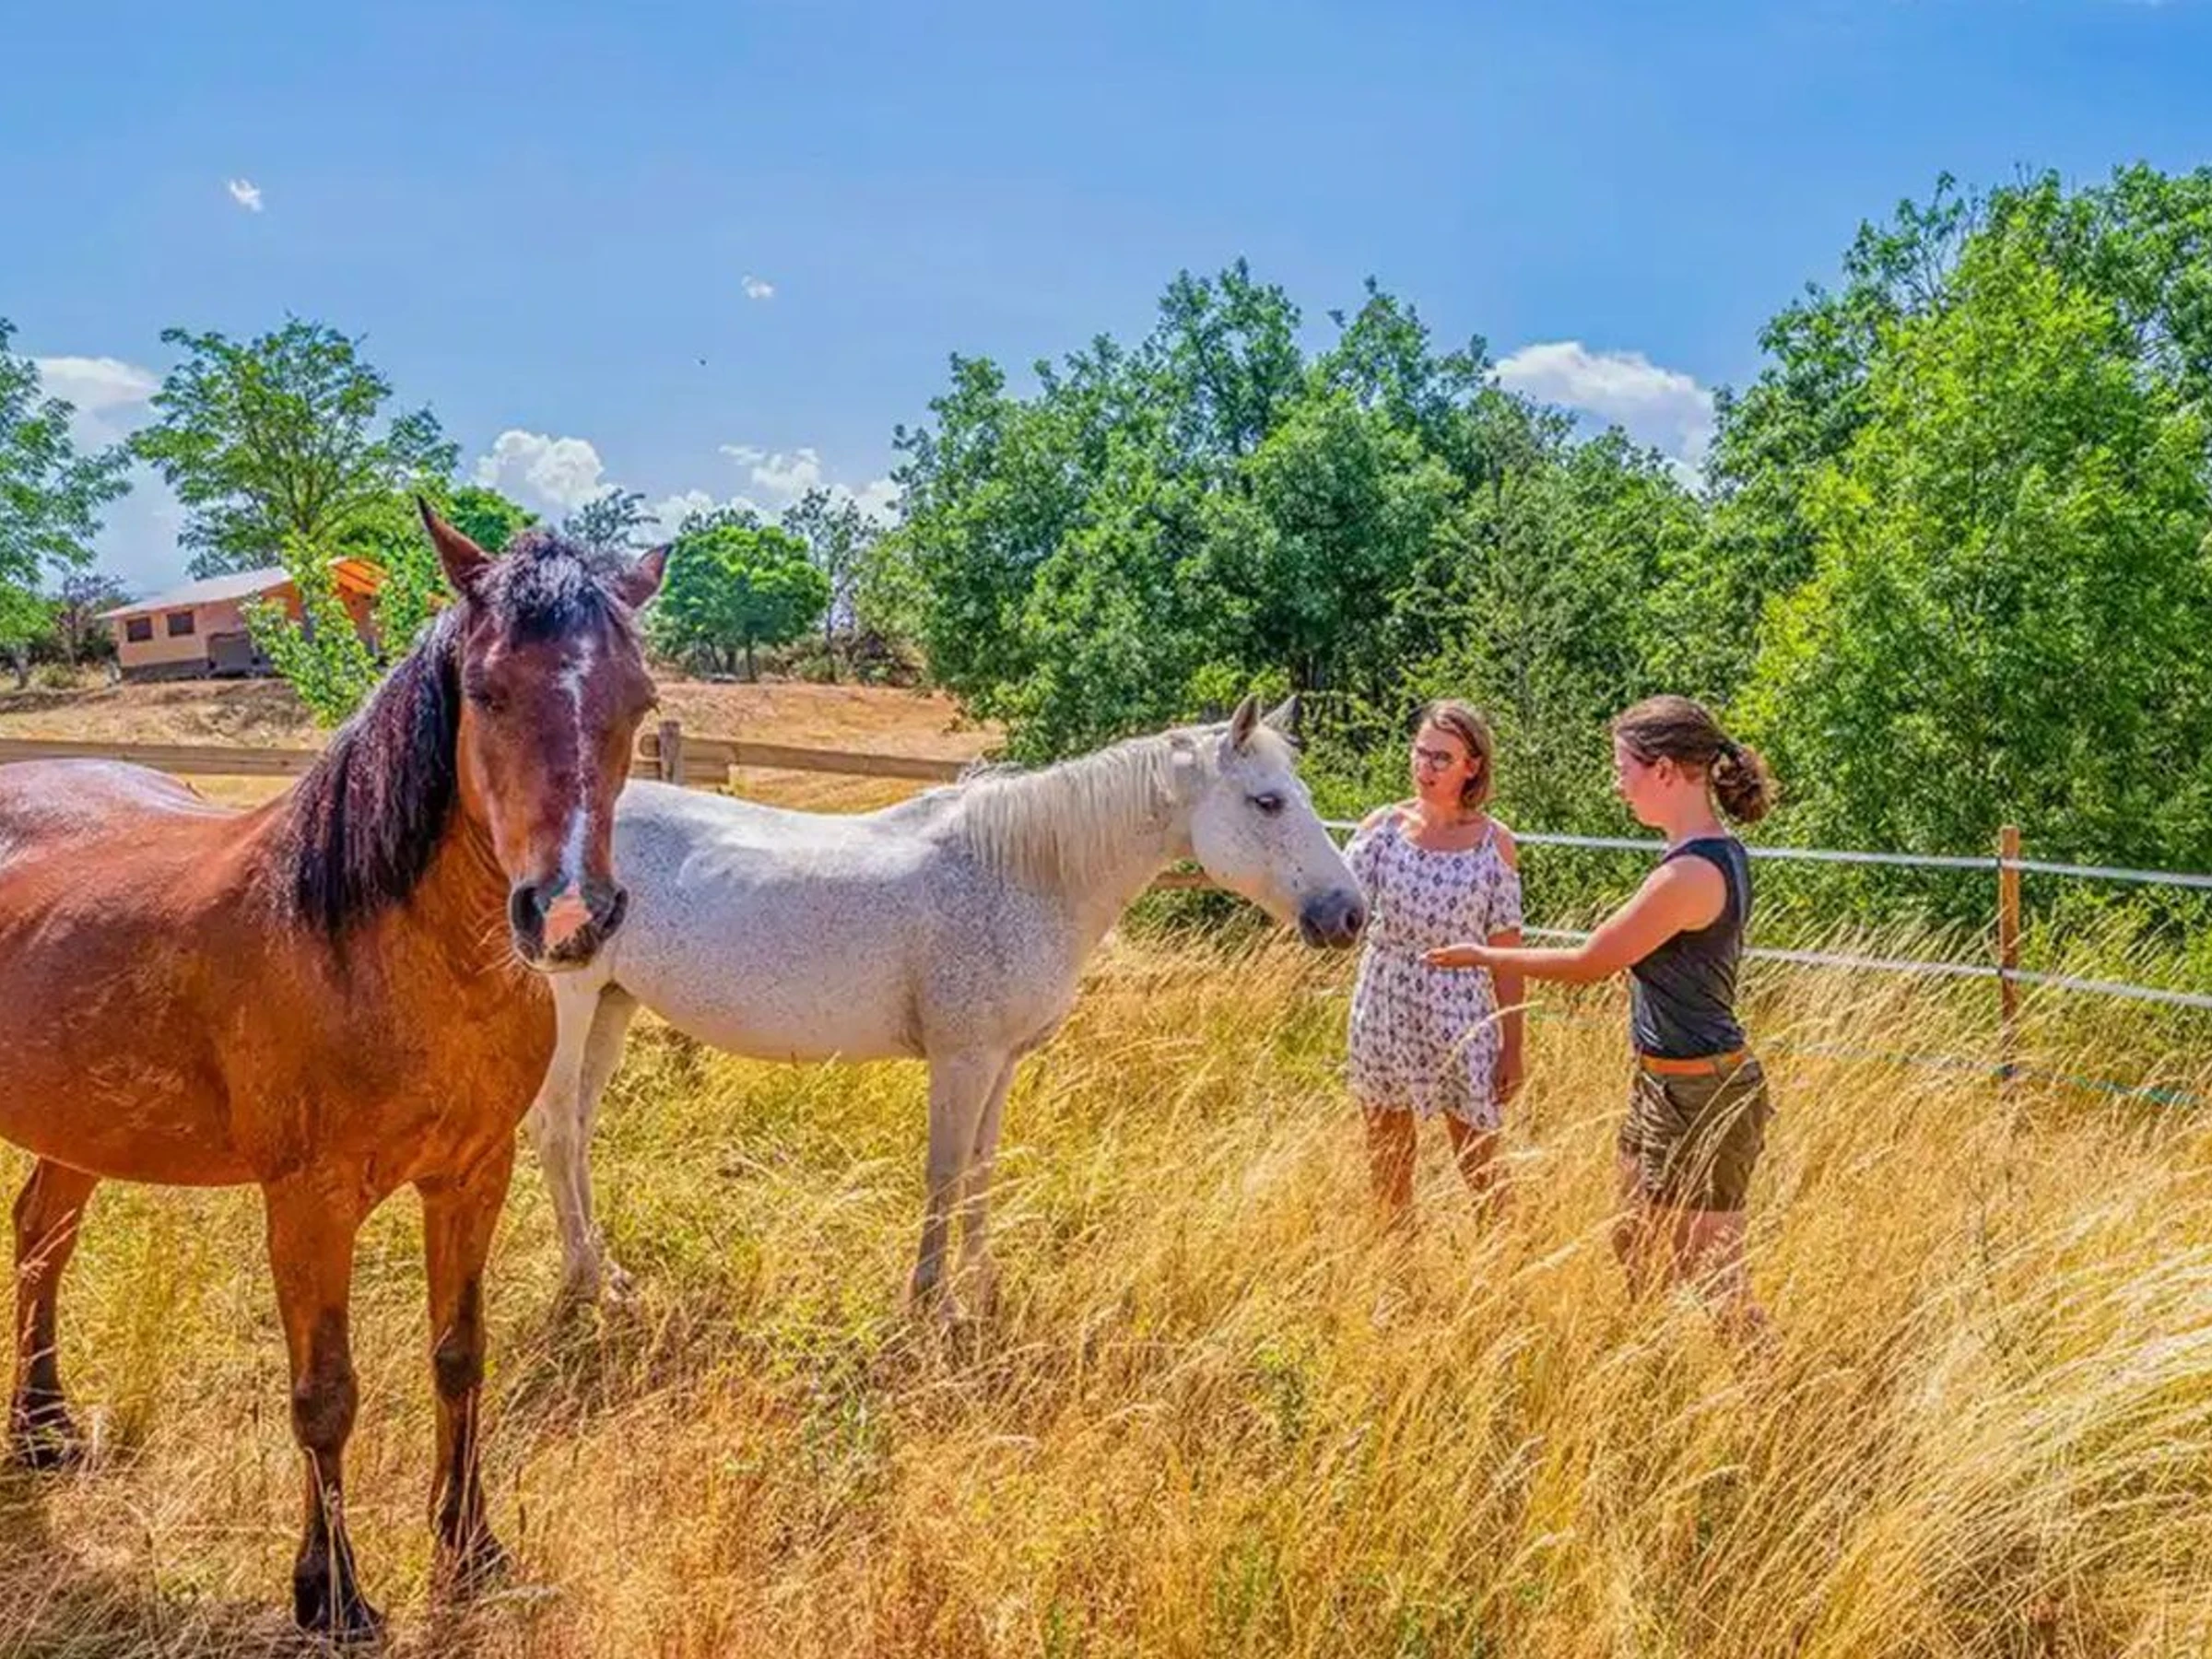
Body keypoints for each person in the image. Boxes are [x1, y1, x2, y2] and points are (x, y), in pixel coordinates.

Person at [1426, 695, 1777, 1345]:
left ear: (1664, 770)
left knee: (1715, 1279)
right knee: (1634, 1242)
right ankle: (1648, 1374)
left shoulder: (1691, 873)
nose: (1617, 786)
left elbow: (1591, 961)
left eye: (1623, 769)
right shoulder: (1703, 854)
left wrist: (1483, 955)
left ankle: (1776, 1393)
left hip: (1703, 1092)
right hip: (1665, 1083)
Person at [1345, 700, 1524, 1230]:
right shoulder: (1382, 828)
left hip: (1459, 1010)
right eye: (1421, 753)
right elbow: (1342, 906)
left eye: (1442, 758)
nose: (1426, 767)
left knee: (1478, 1158)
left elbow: (1507, 952)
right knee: (1388, 1153)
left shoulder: (1494, 844)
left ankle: (1503, 1262)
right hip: (1385, 999)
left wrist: (1513, 1044)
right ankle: (1396, 1266)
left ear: (1473, 766)